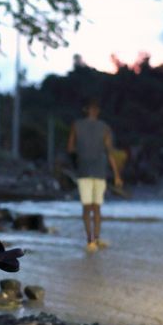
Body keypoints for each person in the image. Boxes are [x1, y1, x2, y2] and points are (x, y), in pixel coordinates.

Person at [66, 99, 123, 253]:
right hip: (99, 171)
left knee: (87, 207)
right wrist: (117, 175)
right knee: (96, 207)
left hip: (84, 170)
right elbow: (110, 152)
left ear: (86, 110)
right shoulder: (104, 128)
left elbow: (70, 148)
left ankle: (91, 240)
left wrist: (81, 154)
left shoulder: (76, 125)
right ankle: (95, 239)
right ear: (97, 111)